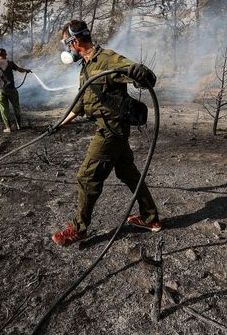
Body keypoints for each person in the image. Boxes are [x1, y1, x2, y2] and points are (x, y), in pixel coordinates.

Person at [51, 20, 161, 247]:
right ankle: (151, 219)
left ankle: (79, 229)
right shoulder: (86, 65)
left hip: (111, 130)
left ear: (75, 41)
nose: (66, 49)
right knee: (128, 173)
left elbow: (143, 78)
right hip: (111, 129)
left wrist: (142, 74)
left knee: (87, 177)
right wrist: (60, 123)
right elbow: (82, 103)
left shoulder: (108, 59)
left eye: (66, 43)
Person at [0, 48, 31, 133]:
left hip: (0, 90)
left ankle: (8, 128)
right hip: (11, 89)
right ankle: (19, 126)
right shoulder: (9, 62)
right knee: (16, 107)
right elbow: (19, 69)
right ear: (5, 54)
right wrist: (27, 70)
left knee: (4, 109)